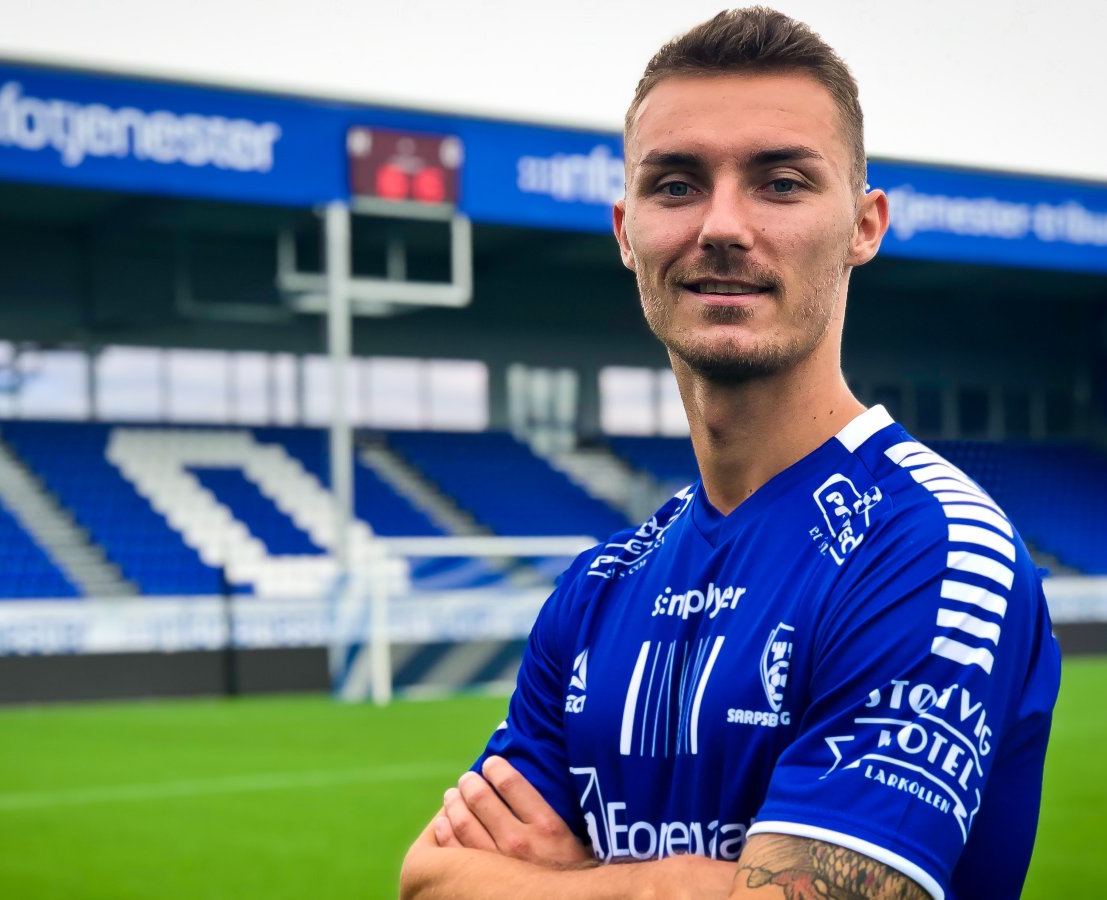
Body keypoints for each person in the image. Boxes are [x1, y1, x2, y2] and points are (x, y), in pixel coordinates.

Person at [400, 8, 1061, 899]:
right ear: (625, 230)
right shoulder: (598, 589)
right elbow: (429, 881)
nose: (721, 225)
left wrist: (594, 879)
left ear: (864, 226)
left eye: (781, 183)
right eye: (675, 186)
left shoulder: (929, 548)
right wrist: (679, 886)